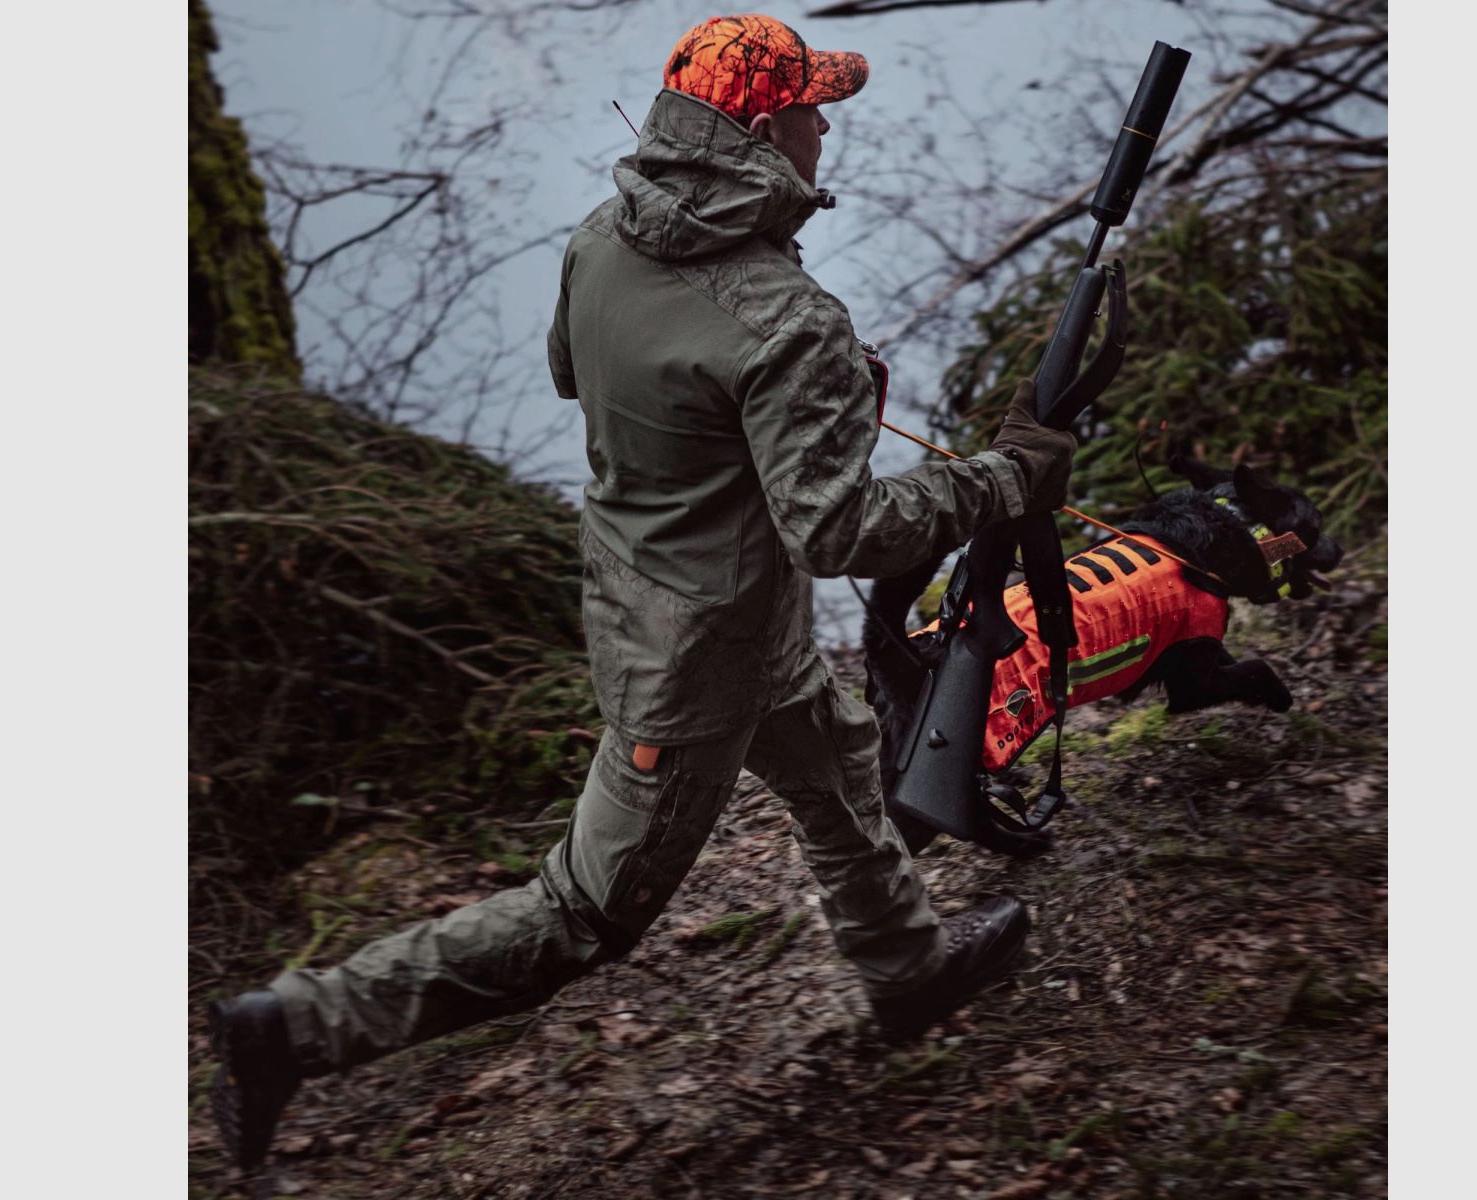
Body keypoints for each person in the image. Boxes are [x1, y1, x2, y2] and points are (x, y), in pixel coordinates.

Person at [209, 13, 1078, 1172]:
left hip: (665, 598)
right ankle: (292, 1030)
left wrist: (745, 427)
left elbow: (577, 374)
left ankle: (905, 970)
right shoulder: (788, 320)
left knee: (832, 754)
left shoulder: (600, 237)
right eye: (815, 107)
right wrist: (1001, 479)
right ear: (767, 129)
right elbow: (839, 533)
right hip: (692, 665)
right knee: (584, 915)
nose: (827, 125)